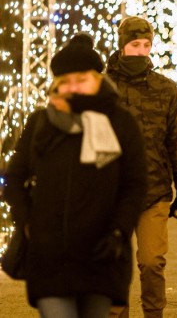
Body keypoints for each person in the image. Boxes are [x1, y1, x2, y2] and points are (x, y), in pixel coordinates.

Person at [4, 34, 147, 317]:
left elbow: (134, 184)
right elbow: (15, 177)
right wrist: (27, 221)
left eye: (81, 79)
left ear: (97, 79)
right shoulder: (41, 122)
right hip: (49, 255)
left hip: (100, 253)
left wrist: (119, 231)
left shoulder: (120, 122)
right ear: (56, 85)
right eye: (66, 81)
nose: (74, 88)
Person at [106, 16, 177, 318]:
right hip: (111, 195)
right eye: (134, 44)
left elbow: (175, 142)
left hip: (153, 190)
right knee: (114, 264)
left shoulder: (165, 88)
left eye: (146, 45)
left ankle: (153, 314)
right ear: (122, 46)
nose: (141, 51)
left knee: (152, 261)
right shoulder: (103, 89)